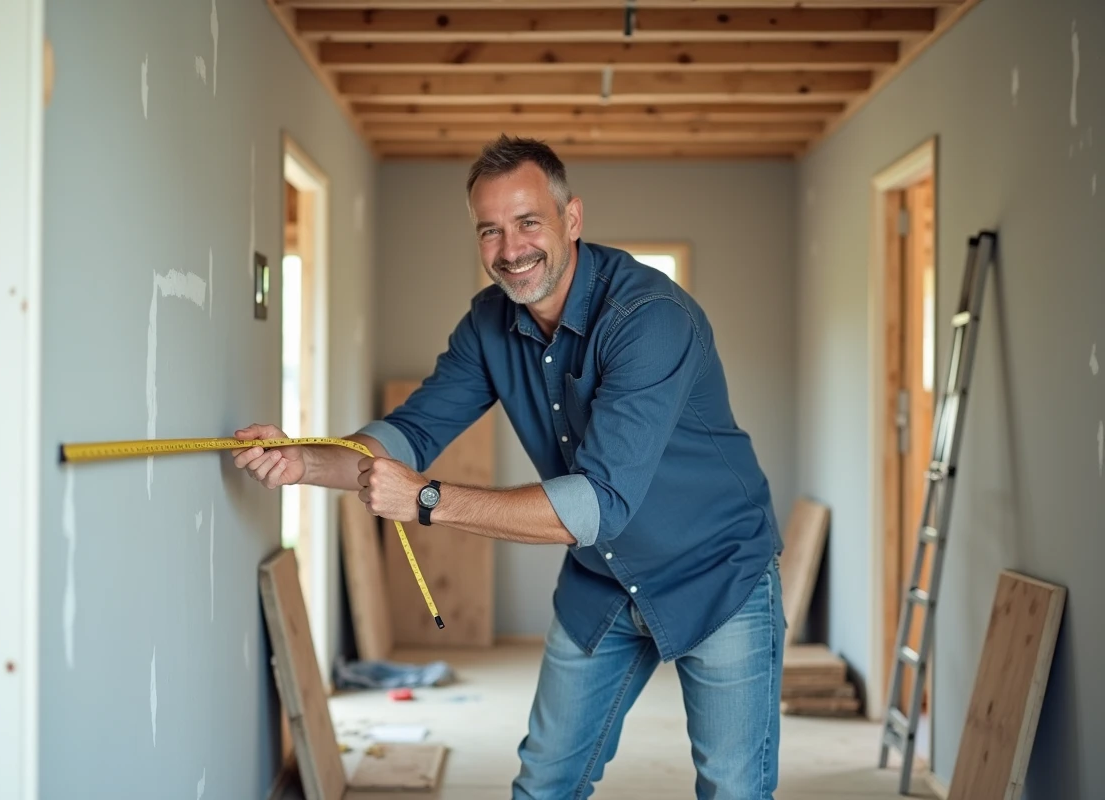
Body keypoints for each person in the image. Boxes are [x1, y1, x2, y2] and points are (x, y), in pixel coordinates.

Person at [232, 135, 785, 799]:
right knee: (544, 782)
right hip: (604, 580)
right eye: (489, 231)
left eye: (528, 223)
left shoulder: (649, 318)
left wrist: (430, 500)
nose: (510, 249)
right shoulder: (488, 325)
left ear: (571, 220)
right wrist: (302, 462)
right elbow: (411, 431)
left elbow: (596, 505)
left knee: (734, 789)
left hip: (717, 572)